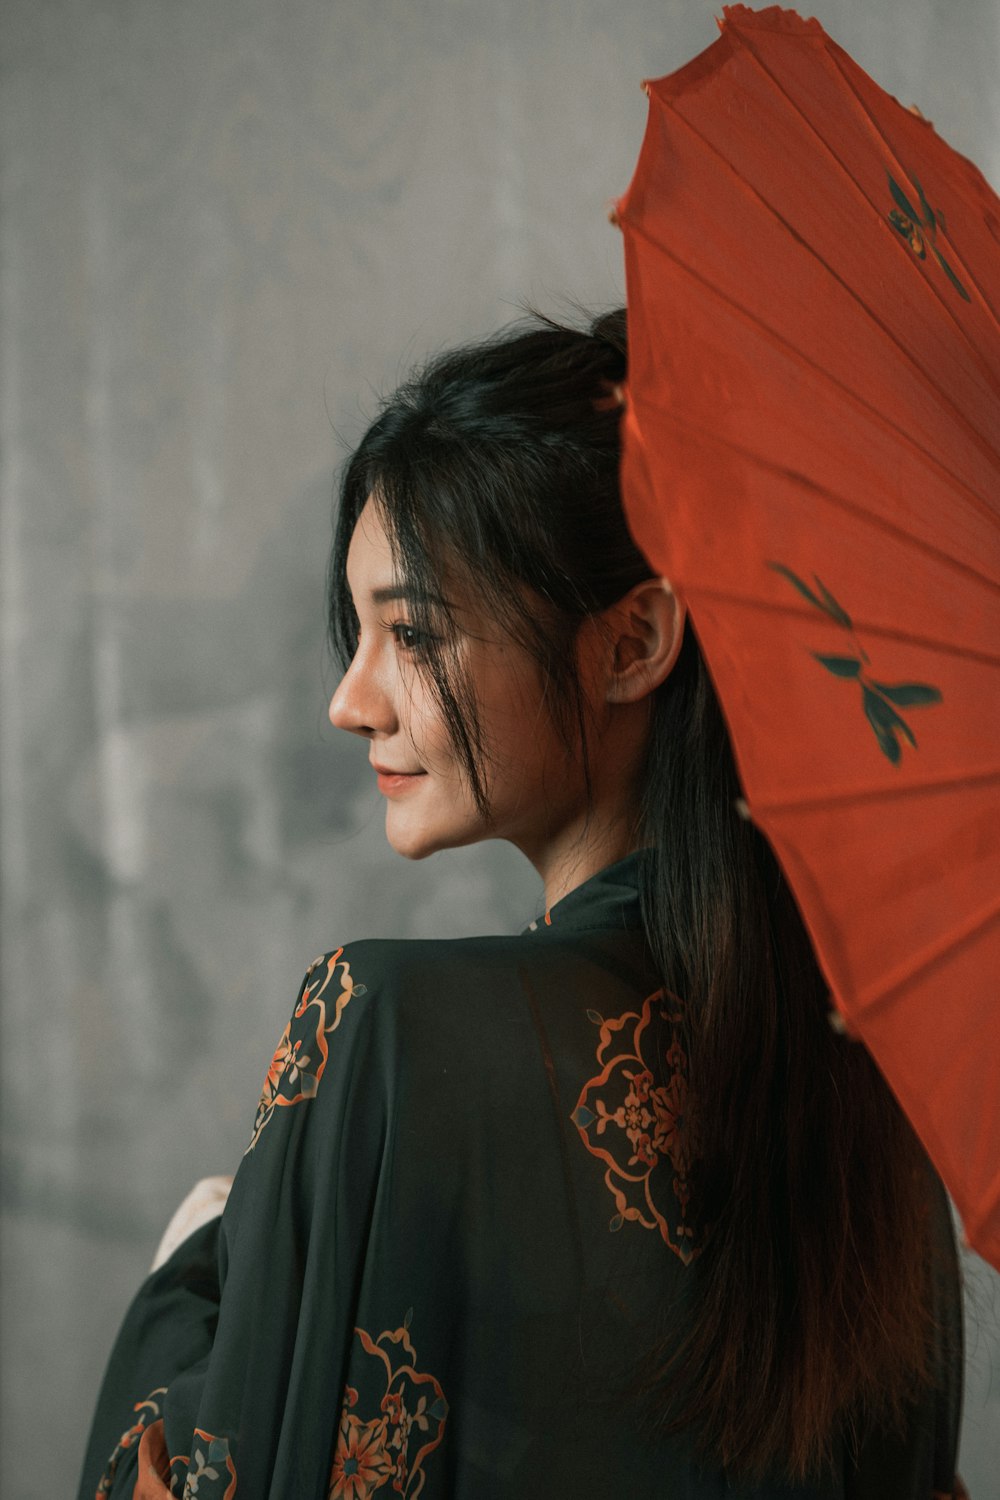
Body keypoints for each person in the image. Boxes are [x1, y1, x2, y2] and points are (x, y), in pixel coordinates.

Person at [79, 311, 965, 1499]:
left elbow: (236, 1471)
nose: (352, 701)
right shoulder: (869, 1065)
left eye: (412, 633)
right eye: (362, 633)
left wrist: (191, 1277)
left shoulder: (389, 1029)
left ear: (632, 642)